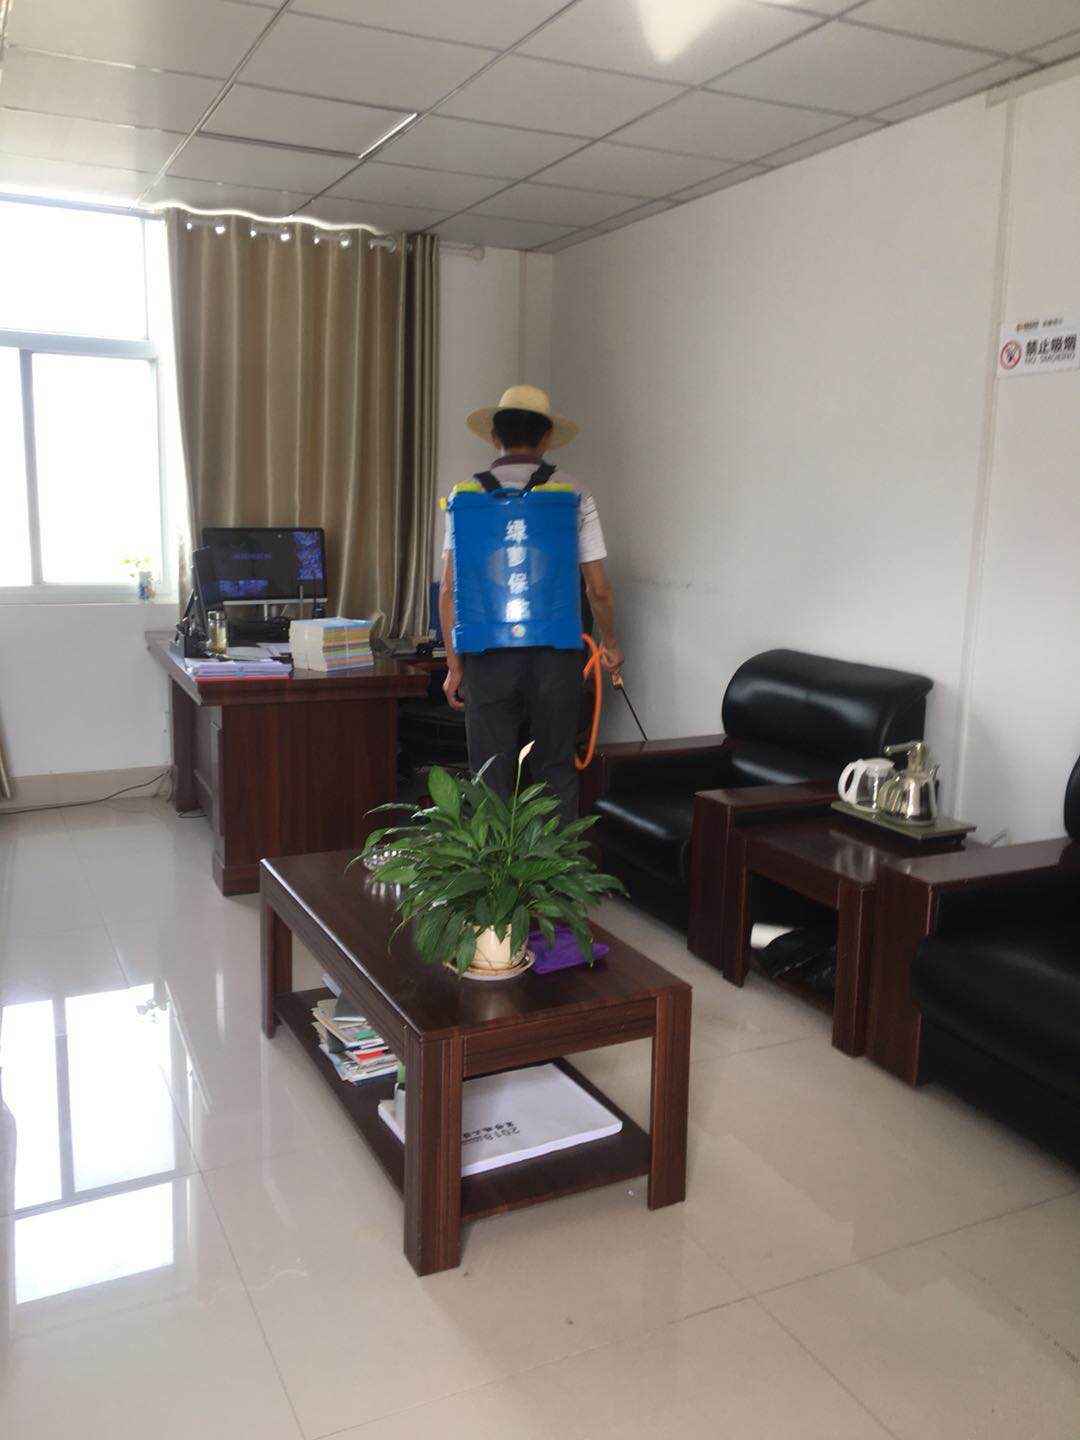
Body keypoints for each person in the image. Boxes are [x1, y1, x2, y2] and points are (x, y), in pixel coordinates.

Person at [439, 385, 623, 827]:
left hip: (486, 654)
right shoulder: (574, 493)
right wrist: (611, 643)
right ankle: (553, 868)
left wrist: (454, 666)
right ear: (546, 438)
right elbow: (597, 588)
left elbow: (448, 590)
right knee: (555, 767)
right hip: (556, 656)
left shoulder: (464, 496)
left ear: (494, 438)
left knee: (490, 775)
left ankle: (493, 869)